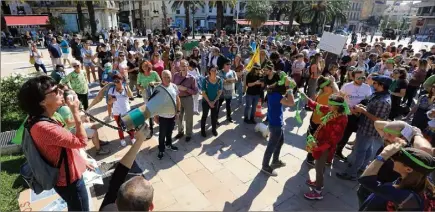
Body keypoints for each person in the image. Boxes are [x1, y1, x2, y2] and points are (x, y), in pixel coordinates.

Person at [18, 75, 90, 211]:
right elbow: (81, 141)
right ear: (42, 102)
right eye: (56, 91)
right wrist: (76, 113)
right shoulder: (44, 127)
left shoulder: (40, 118)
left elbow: (63, 144)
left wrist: (81, 160)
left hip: (65, 177)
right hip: (70, 182)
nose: (62, 92)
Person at [337, 76, 392, 181]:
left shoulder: (383, 101)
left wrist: (363, 111)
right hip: (365, 126)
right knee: (367, 149)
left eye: (375, 83)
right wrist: (363, 108)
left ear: (382, 85)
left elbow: (378, 119)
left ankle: (352, 174)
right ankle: (362, 167)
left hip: (369, 129)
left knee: (360, 151)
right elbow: (373, 110)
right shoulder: (379, 95)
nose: (373, 84)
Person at [359, 143, 435, 211]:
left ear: (408, 169)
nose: (392, 159)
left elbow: (366, 180)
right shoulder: (422, 180)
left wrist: (383, 155)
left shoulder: (405, 196)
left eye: (396, 158)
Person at [301, 93, 348, 200]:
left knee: (318, 167)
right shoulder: (332, 111)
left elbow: (334, 139)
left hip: (325, 147)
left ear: (337, 106)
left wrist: (317, 147)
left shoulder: (342, 119)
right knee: (319, 166)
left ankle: (318, 192)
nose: (328, 105)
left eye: (330, 104)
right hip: (320, 143)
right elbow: (318, 106)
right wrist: (305, 97)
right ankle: (319, 183)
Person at [99, 125, 154, 211]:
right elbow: (117, 179)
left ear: (116, 202)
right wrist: (140, 140)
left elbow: (117, 178)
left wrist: (139, 140)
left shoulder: (107, 209)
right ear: (151, 207)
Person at [335, 70, 372, 160]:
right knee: (344, 134)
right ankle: (337, 151)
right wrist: (349, 109)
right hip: (347, 114)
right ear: (352, 77)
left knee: (356, 135)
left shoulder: (367, 87)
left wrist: (361, 108)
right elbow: (339, 99)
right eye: (358, 78)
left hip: (360, 115)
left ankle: (350, 155)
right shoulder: (347, 86)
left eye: (363, 77)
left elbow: (369, 100)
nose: (361, 80)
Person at [261, 79, 295, 177]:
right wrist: (289, 89)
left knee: (280, 141)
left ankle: (275, 160)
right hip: (276, 125)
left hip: (275, 122)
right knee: (271, 146)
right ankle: (265, 166)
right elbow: (291, 103)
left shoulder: (271, 93)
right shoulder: (277, 96)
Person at [305, 76, 340, 166]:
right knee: (315, 141)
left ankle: (310, 157)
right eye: (329, 85)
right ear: (326, 86)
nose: (331, 86)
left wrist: (331, 82)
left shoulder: (322, 93)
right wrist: (333, 81)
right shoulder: (328, 95)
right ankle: (310, 158)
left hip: (314, 119)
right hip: (319, 122)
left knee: (312, 139)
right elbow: (338, 93)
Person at [154, 70, 181, 160]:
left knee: (170, 132)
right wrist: (155, 116)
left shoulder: (174, 86)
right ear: (161, 77)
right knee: (162, 134)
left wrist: (178, 111)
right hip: (163, 116)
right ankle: (161, 149)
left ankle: (169, 144)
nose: (167, 79)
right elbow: (154, 103)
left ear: (171, 77)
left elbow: (177, 100)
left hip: (172, 115)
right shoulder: (158, 88)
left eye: (168, 77)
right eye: (165, 77)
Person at [173, 60, 198, 142]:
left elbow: (195, 92)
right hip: (178, 99)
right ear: (179, 67)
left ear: (188, 66)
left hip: (188, 99)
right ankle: (180, 132)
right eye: (182, 66)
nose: (183, 68)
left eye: (185, 66)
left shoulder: (192, 78)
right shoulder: (176, 76)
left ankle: (188, 134)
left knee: (189, 117)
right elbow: (172, 86)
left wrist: (186, 89)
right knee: (179, 117)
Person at [137, 61, 161, 139]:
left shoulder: (154, 73)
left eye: (146, 66)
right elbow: (138, 85)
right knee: (150, 112)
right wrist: (142, 88)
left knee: (156, 110)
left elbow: (160, 82)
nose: (144, 68)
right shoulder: (140, 74)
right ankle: (151, 130)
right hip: (146, 96)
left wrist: (154, 83)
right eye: (143, 66)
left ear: (149, 66)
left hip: (155, 95)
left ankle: (159, 122)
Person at [201, 65, 223, 137]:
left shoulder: (219, 80)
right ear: (209, 71)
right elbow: (203, 93)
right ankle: (203, 130)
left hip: (215, 101)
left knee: (214, 116)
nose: (213, 72)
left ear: (217, 71)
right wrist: (209, 102)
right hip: (206, 101)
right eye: (212, 70)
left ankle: (214, 129)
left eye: (215, 70)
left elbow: (220, 92)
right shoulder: (205, 80)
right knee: (204, 115)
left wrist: (214, 101)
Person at [218, 58, 237, 123]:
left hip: (229, 92)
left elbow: (236, 80)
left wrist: (227, 80)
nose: (229, 65)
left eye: (230, 64)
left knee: (228, 105)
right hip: (221, 92)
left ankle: (229, 117)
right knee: (218, 105)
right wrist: (230, 80)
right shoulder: (220, 72)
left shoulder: (233, 72)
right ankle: (215, 118)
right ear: (223, 65)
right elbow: (221, 82)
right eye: (227, 64)